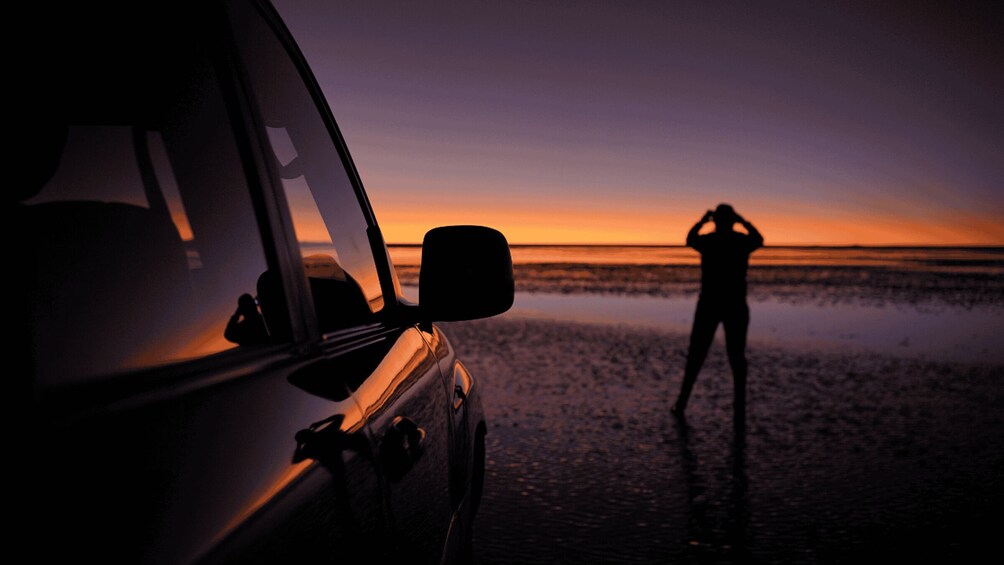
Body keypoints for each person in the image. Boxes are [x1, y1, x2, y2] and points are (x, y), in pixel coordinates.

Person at [671, 204, 763, 420]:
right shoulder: (739, 241)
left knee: (698, 354)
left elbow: (690, 238)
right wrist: (743, 221)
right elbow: (758, 239)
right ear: (732, 220)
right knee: (734, 356)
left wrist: (703, 221)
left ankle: (682, 403)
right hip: (731, 304)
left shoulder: (710, 242)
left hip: (713, 304)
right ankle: (738, 407)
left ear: (716, 221)